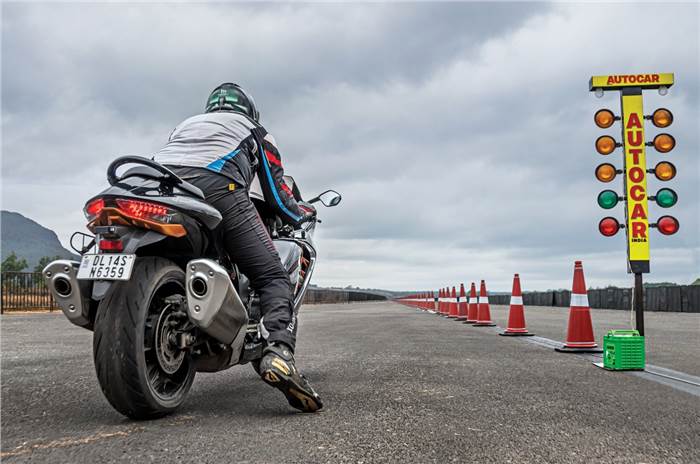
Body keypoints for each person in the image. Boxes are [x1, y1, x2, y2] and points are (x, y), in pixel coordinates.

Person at [153, 83, 322, 412]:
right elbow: (276, 194)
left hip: (162, 186)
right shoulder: (255, 130)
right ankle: (278, 352)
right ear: (250, 110)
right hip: (217, 186)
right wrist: (301, 213)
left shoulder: (185, 125)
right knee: (273, 275)